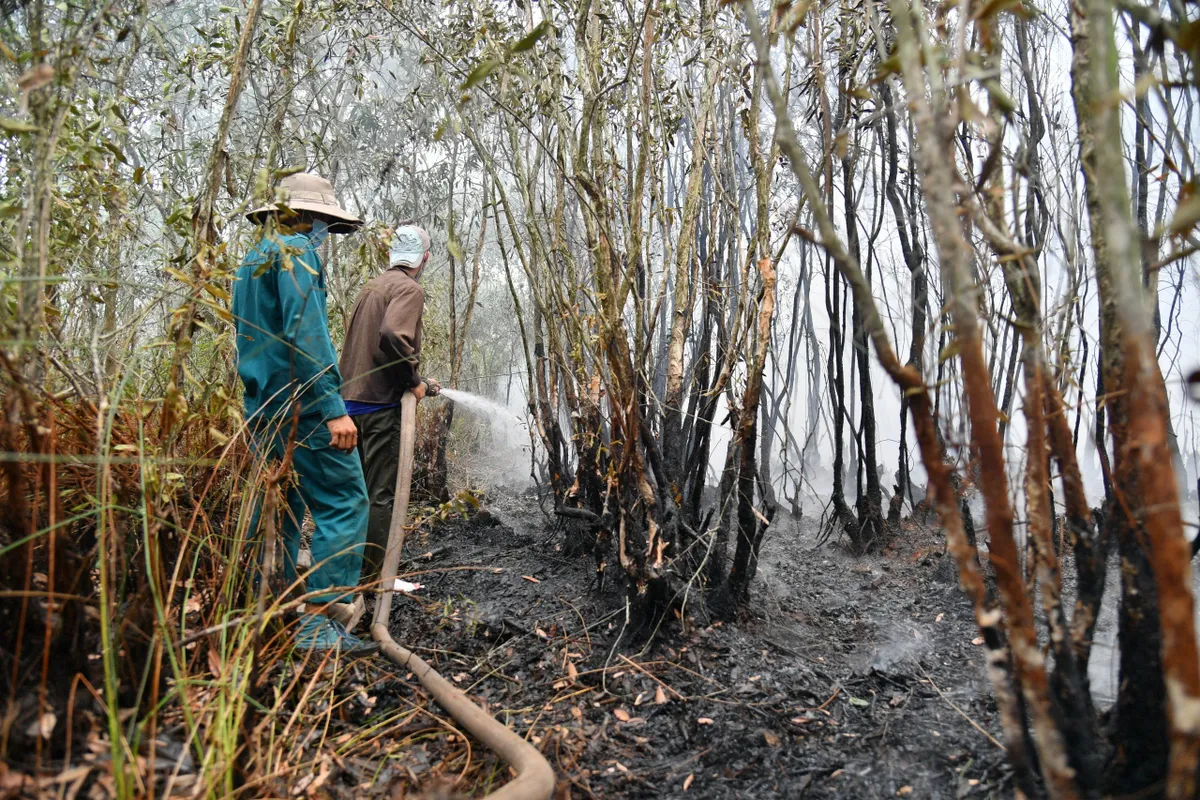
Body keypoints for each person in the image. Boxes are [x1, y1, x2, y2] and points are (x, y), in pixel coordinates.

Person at [232, 172, 378, 656]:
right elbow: (307, 334)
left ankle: (263, 615)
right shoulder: (296, 254)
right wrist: (333, 408)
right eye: (321, 223)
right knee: (345, 501)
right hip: (303, 406)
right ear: (306, 217)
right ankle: (321, 626)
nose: (323, 234)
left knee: (281, 506)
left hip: (264, 407)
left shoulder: (252, 259)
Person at [339, 224, 440, 580]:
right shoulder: (409, 289)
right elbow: (392, 337)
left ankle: (347, 570)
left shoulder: (373, 286)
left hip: (349, 405)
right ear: (423, 259)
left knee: (357, 493)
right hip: (380, 407)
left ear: (391, 255)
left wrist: (420, 380)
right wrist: (413, 381)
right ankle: (372, 579)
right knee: (381, 496)